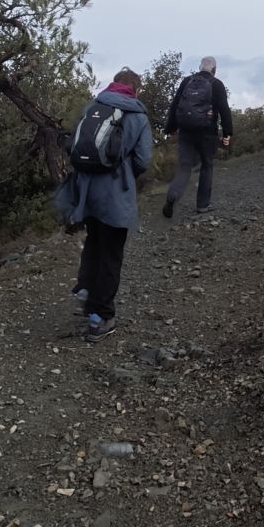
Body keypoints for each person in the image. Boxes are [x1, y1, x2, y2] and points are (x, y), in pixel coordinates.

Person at [56, 67, 154, 340]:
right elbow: (143, 159)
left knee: (94, 242)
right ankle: (101, 317)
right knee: (112, 253)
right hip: (115, 194)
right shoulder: (137, 115)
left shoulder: (94, 106)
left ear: (114, 84)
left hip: (86, 192)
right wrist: (124, 175)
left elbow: (74, 145)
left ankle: (85, 292)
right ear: (136, 89)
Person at [162, 56, 233, 217]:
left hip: (186, 131)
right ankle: (202, 205)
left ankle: (172, 196)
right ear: (214, 69)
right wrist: (227, 133)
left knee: (184, 166)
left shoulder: (187, 81)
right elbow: (224, 110)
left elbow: (175, 105)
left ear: (200, 67)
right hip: (208, 133)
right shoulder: (217, 84)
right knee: (207, 166)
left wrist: (171, 127)